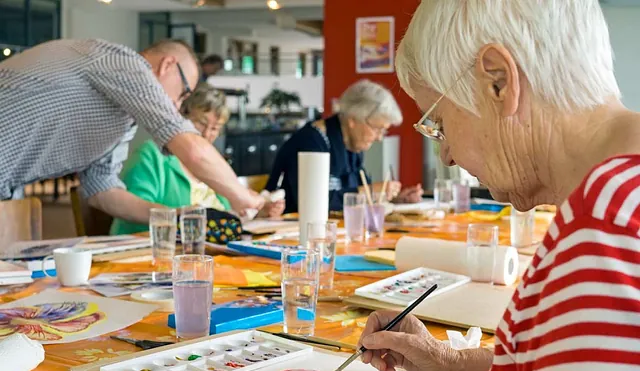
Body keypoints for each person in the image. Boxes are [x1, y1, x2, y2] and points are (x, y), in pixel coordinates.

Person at [323, 1, 640, 371]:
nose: (447, 154)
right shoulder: (612, 204)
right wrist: (451, 362)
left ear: (498, 81)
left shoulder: (603, 239)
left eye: (439, 121)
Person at [0, 39, 263, 225]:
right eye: (183, 93)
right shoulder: (125, 62)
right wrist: (242, 197)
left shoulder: (121, 119)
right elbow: (191, 149)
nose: (177, 105)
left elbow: (102, 191)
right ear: (167, 65)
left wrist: (175, 216)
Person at [110, 83, 284, 235]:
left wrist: (259, 213)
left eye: (215, 128)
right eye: (200, 123)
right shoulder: (151, 155)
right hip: (150, 255)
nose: (207, 134)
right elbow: (131, 215)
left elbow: (227, 214)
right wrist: (181, 214)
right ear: (181, 116)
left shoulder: (211, 164)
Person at [265, 80, 424, 214]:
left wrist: (392, 196)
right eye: (377, 129)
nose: (379, 138)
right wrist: (368, 192)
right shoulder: (310, 142)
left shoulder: (352, 145)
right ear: (353, 120)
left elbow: (356, 189)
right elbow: (312, 202)